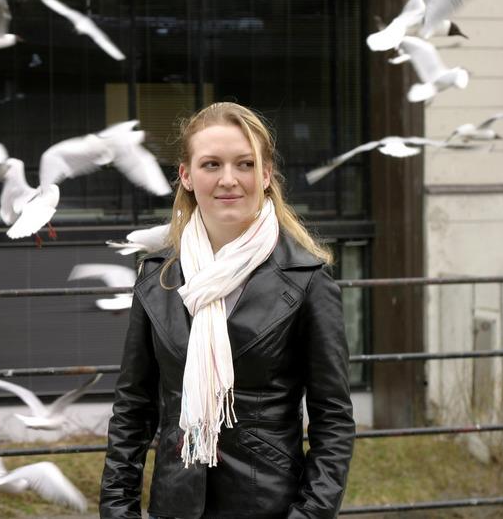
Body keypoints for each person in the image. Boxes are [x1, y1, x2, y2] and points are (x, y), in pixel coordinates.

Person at [100, 102, 354, 518]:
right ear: (186, 175)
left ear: (267, 174)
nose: (229, 180)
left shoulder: (307, 279)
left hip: (267, 505)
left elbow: (334, 422)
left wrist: (309, 515)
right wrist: (118, 510)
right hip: (176, 504)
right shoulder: (158, 276)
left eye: (246, 164)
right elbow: (132, 408)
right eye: (211, 164)